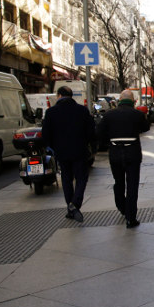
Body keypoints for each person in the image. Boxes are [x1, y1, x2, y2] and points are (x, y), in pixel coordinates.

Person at [97, 89, 150, 228]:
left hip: (115, 153)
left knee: (118, 183)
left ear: (119, 100)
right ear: (133, 101)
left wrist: (109, 141)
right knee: (132, 185)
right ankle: (131, 218)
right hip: (132, 152)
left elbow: (99, 132)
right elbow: (146, 128)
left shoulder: (109, 115)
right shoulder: (137, 114)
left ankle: (122, 207)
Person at [41, 86, 95, 223]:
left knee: (66, 179)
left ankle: (70, 208)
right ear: (71, 96)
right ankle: (75, 204)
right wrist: (86, 144)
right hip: (79, 151)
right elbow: (91, 131)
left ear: (59, 96)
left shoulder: (51, 112)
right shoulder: (82, 110)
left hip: (62, 152)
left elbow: (46, 134)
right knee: (81, 178)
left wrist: (53, 148)